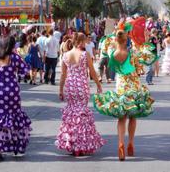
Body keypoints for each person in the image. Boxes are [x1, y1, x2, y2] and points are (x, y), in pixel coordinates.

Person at [93, 30, 155, 161]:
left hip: (121, 87)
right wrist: (143, 39)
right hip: (134, 86)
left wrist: (116, 32)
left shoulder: (112, 53)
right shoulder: (133, 53)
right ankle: (131, 142)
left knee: (121, 118)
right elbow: (147, 57)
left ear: (116, 39)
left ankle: (120, 143)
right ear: (126, 39)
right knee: (133, 116)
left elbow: (105, 44)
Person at [55, 33, 105, 156]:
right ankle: (81, 144)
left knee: (72, 112)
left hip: (70, 85)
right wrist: (98, 85)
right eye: (85, 41)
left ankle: (71, 143)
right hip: (82, 85)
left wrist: (60, 90)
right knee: (81, 113)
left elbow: (63, 75)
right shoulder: (84, 54)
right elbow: (92, 72)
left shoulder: (65, 55)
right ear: (81, 42)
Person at [0, 36, 31, 161]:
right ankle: (15, 145)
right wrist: (20, 73)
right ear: (12, 46)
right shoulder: (15, 57)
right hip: (12, 91)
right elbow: (25, 71)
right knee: (14, 117)